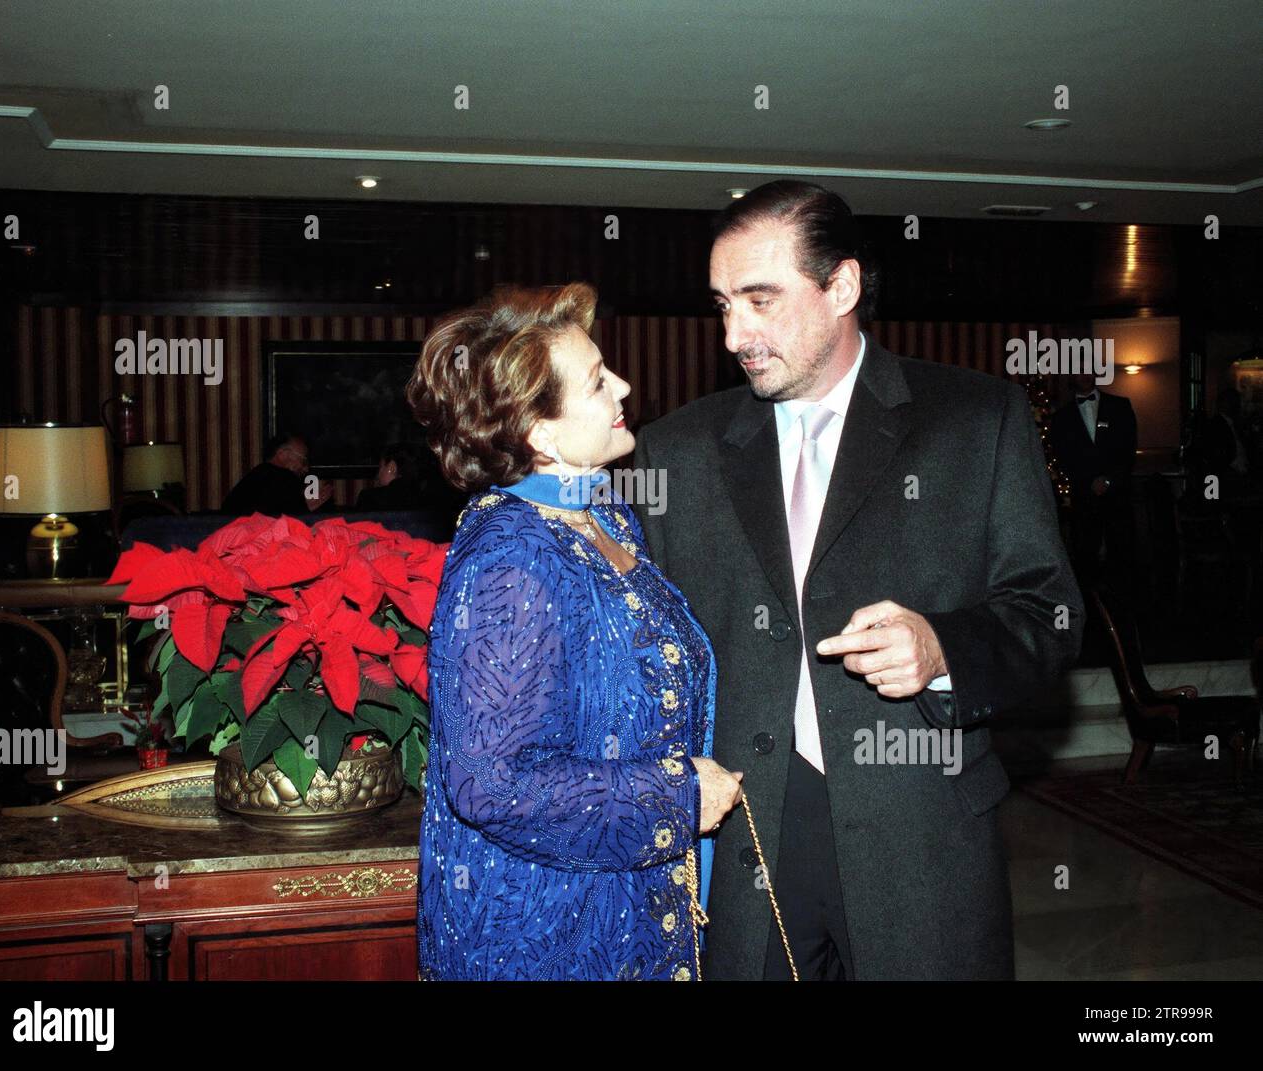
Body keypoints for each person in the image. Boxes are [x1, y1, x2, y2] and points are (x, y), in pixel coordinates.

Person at [632, 180, 1083, 981]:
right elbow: (641, 646)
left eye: (761, 300)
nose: (736, 332)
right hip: (746, 836)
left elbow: (1048, 614)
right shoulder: (677, 451)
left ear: (842, 286)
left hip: (921, 841)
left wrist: (944, 647)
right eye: (722, 303)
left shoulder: (977, 421)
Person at [408, 282, 744, 980]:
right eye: (596, 381)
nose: (622, 384)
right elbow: (489, 783)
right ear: (542, 433)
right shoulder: (511, 558)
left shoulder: (603, 516)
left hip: (625, 905)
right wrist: (676, 796)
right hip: (546, 937)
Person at [1047, 372, 1138, 586]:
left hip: (1117, 496)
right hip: (1085, 499)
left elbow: (1128, 448)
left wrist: (1109, 480)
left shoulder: (1120, 406)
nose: (1085, 375)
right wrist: (1090, 482)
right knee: (1086, 563)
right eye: (1079, 371)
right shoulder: (1062, 417)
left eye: (1088, 369)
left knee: (1122, 559)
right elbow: (1064, 458)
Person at [220, 433, 333, 516]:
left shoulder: (255, 476)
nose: (306, 468)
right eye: (303, 461)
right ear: (283, 455)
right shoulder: (284, 478)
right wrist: (305, 508)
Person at [355, 443, 420, 511]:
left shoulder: (369, 498)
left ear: (392, 468)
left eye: (380, 467)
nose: (378, 475)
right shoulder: (426, 498)